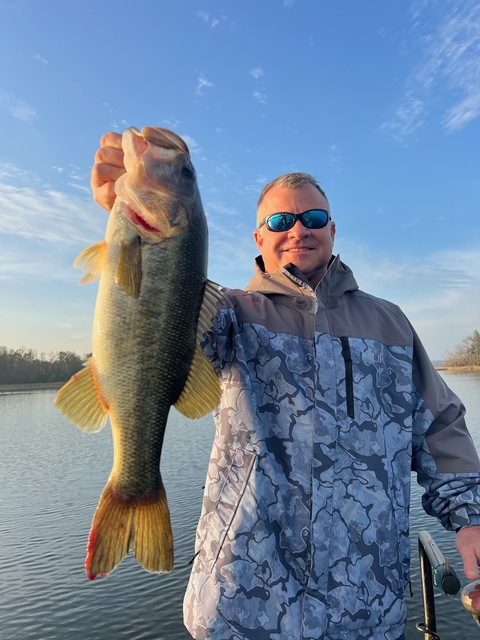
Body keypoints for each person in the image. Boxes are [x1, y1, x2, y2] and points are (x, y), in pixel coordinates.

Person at [91, 131, 480, 640]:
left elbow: (439, 427)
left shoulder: (391, 323)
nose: (298, 230)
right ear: (259, 238)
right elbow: (150, 332)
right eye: (280, 221)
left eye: (312, 218)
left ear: (333, 230)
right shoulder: (226, 314)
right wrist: (124, 226)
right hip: (241, 606)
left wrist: (470, 516)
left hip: (366, 608)